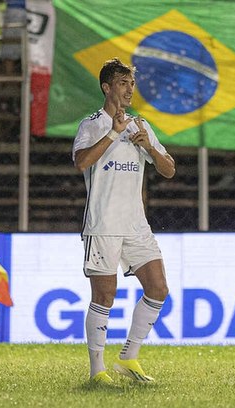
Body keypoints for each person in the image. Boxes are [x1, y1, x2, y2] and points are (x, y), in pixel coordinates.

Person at [72, 58, 176, 384]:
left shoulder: (140, 125)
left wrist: (151, 148)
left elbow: (169, 169)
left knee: (158, 288)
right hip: (103, 223)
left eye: (131, 83)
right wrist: (113, 135)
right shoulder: (92, 124)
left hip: (135, 223)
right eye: (123, 83)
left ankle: (129, 358)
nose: (130, 89)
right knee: (104, 296)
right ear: (107, 87)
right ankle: (96, 371)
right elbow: (81, 162)